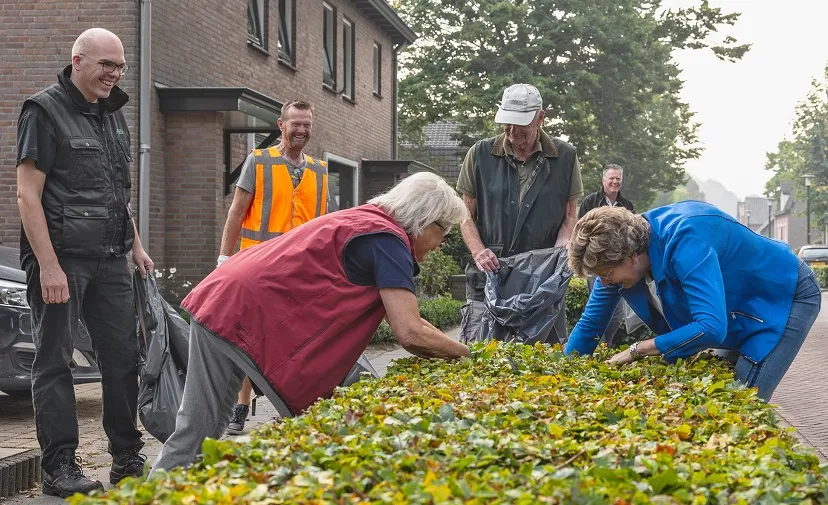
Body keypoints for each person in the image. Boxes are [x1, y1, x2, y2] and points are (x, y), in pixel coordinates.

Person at [149, 172, 471, 475]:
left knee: (204, 430)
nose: (441, 243)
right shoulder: (389, 242)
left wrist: (454, 347)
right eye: (443, 233)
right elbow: (410, 332)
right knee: (195, 436)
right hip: (239, 310)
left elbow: (411, 319)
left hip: (230, 298)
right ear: (426, 220)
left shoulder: (371, 223)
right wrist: (464, 354)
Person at [15, 28, 151, 497]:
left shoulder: (113, 116)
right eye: (105, 65)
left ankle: (126, 457)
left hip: (112, 257)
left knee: (123, 359)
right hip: (63, 260)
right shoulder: (43, 110)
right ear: (78, 60)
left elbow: (117, 191)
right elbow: (27, 196)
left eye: (120, 67)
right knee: (55, 363)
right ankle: (60, 468)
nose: (114, 74)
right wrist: (48, 266)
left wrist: (135, 244)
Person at [565, 202, 821, 401]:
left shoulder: (685, 240)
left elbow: (711, 327)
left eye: (607, 275)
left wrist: (639, 349)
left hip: (783, 291)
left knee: (741, 397)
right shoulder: (616, 253)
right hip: (733, 304)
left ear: (631, 257)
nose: (605, 283)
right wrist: (566, 375)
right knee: (720, 390)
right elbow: (591, 324)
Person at [217, 99, 328, 436]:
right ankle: (239, 406)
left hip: (300, 270)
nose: (302, 130)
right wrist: (224, 258)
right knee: (252, 337)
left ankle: (289, 405)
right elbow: (237, 210)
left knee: (296, 340)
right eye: (296, 123)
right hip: (258, 266)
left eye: (307, 124)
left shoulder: (320, 170)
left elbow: (322, 226)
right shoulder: (259, 161)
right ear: (281, 125)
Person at [456, 83, 583, 344]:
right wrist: (479, 251)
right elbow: (464, 215)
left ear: (540, 118)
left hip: (542, 285)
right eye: (507, 123)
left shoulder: (565, 157)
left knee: (544, 365)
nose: (513, 131)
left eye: (521, 124)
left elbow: (570, 216)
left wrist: (561, 247)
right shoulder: (480, 154)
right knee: (479, 360)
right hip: (488, 278)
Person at [577, 164, 635, 347]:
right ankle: (596, 346)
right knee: (597, 308)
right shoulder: (590, 202)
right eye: (611, 178)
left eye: (618, 178)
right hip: (597, 263)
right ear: (603, 180)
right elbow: (580, 230)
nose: (615, 181)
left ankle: (606, 343)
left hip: (619, 264)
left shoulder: (627, 205)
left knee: (617, 312)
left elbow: (633, 233)